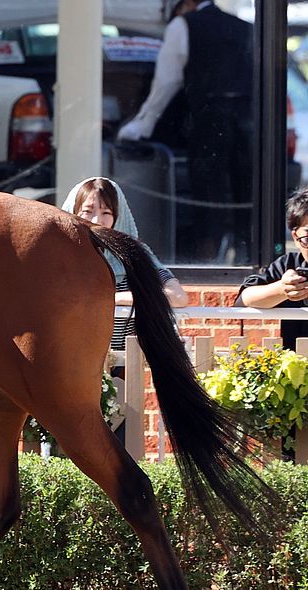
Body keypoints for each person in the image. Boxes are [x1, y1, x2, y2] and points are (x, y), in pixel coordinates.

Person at [117, 0, 253, 264]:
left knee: (208, 191)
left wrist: (142, 125)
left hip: (209, 120)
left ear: (186, 4)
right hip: (248, 122)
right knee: (246, 193)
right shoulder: (245, 28)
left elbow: (166, 82)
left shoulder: (184, 25)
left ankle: (207, 261)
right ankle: (245, 258)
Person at [63, 177, 189, 355]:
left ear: (119, 217)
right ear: (73, 212)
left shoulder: (136, 257)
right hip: (73, 360)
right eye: (87, 211)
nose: (97, 220)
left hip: (125, 362)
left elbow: (178, 297)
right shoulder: (60, 258)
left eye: (106, 212)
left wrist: (116, 297)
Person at [234, 187, 308, 351]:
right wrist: (281, 289)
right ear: (296, 238)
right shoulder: (289, 264)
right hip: (296, 362)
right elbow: (243, 300)